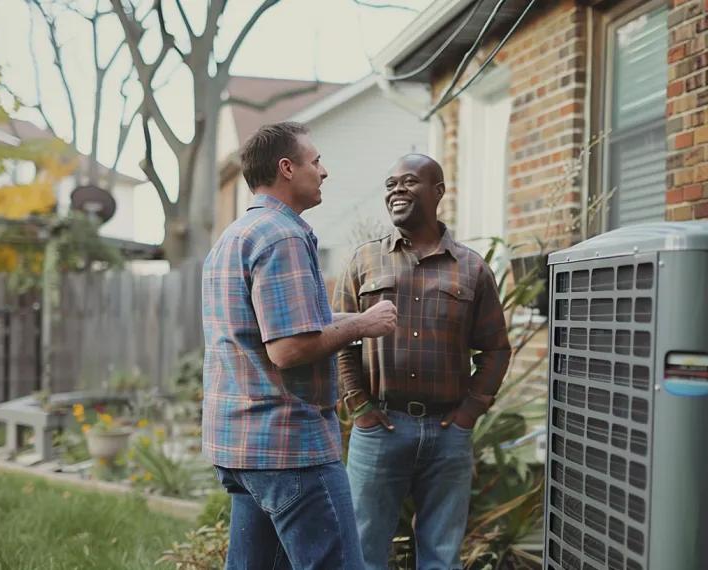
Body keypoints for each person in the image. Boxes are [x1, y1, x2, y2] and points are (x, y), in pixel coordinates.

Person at [201, 121, 397, 570]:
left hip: (242, 447)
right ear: (287, 169)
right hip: (290, 448)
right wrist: (362, 325)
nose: (324, 171)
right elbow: (288, 348)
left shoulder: (235, 237)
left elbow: (279, 327)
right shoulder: (283, 236)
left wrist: (357, 319)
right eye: (316, 161)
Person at [333, 154, 513, 569]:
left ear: (438, 191)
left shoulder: (472, 269)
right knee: (362, 548)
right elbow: (342, 340)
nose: (396, 189)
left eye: (409, 182)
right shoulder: (364, 261)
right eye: (390, 183)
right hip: (379, 427)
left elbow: (497, 350)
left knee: (441, 554)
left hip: (447, 432)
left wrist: (470, 411)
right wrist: (359, 406)